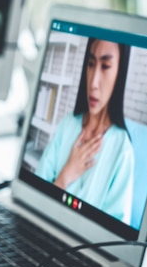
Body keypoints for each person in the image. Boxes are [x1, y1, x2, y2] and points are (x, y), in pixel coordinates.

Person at [35, 37, 134, 223]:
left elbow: (112, 238)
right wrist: (65, 175)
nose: (93, 82)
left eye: (105, 66)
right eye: (90, 64)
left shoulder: (123, 150)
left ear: (119, 74)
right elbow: (34, 198)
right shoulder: (67, 125)